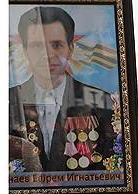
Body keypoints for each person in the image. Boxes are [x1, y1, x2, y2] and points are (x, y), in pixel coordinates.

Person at [8, 6, 115, 173]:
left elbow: (108, 167)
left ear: (70, 49)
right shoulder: (8, 101)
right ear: (25, 51)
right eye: (37, 46)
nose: (48, 54)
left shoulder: (98, 102)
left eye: (56, 45)